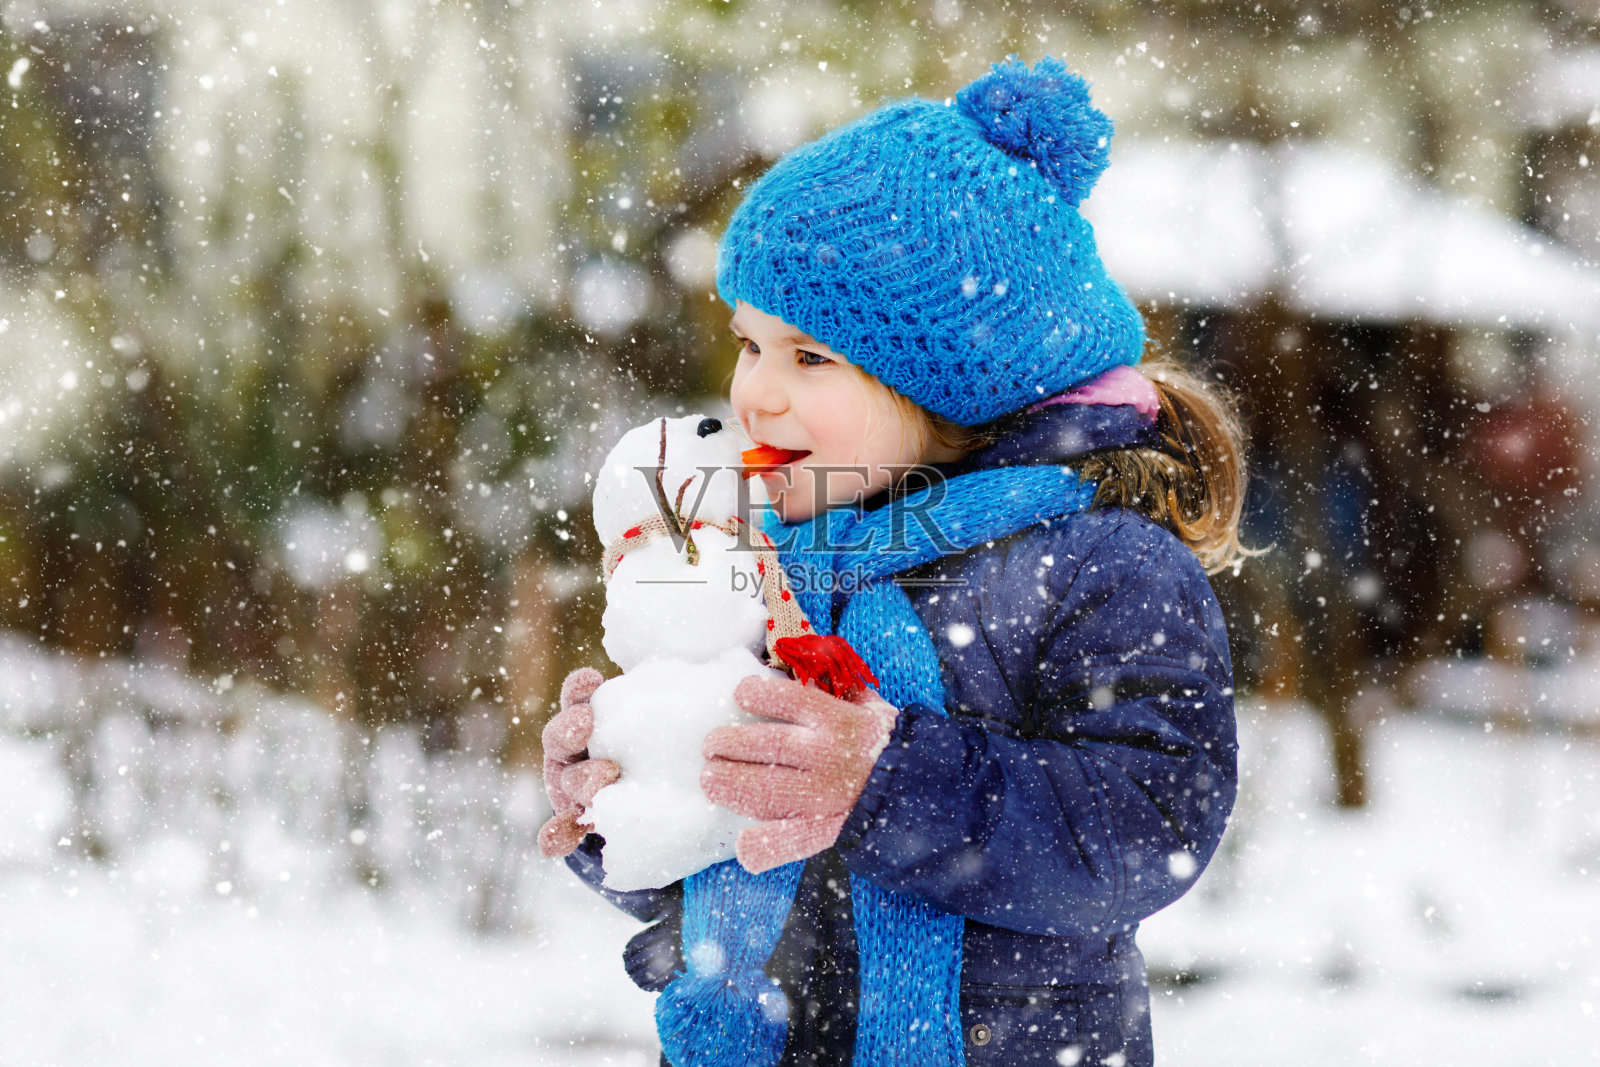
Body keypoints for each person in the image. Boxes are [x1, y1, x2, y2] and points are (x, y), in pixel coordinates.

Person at [539, 56, 1245, 1067]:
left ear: (955, 379)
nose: (755, 395)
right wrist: (626, 799)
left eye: (810, 358)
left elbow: (1146, 825)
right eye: (749, 344)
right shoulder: (758, 556)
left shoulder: (1098, 567)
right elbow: (732, 859)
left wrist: (884, 782)